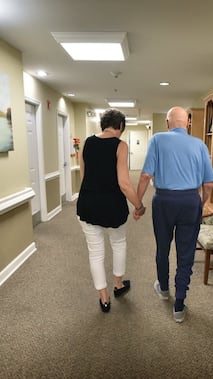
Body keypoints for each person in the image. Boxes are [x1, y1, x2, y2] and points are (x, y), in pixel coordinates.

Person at [135, 106, 213, 323]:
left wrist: (137, 203)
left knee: (163, 246)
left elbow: (144, 177)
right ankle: (179, 304)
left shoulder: (157, 139)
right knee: (186, 252)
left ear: (167, 123)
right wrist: (200, 203)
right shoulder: (200, 144)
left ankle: (163, 288)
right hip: (190, 201)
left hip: (164, 200)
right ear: (187, 123)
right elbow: (208, 184)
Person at [77, 109, 146, 313]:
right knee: (118, 243)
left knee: (95, 252)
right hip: (113, 206)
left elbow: (83, 178)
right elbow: (124, 184)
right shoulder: (120, 145)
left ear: (103, 124)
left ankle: (104, 299)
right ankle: (118, 285)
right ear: (121, 127)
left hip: (88, 204)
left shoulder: (86, 143)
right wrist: (139, 206)